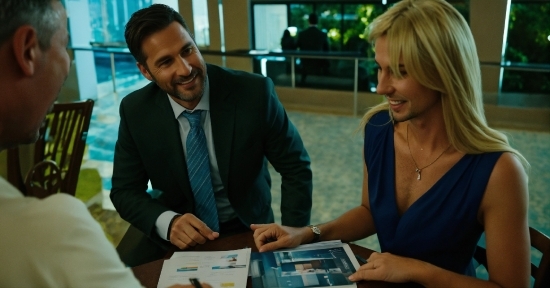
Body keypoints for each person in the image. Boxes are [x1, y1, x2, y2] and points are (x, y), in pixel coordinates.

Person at [251, 0, 530, 287]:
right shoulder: (379, 128)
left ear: (445, 72)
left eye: (400, 71)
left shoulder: (500, 171)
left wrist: (416, 271)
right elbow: (370, 212)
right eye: (380, 68)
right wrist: (308, 233)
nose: (382, 87)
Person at [111, 4, 313, 267]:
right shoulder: (135, 111)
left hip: (248, 228)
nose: (185, 69)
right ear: (145, 72)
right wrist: (168, 223)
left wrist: (292, 232)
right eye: (166, 61)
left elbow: (295, 167)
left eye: (187, 50)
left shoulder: (254, 93)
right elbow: (125, 190)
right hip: (177, 235)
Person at [296, 13, 329, 84]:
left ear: (308, 21)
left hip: (305, 66)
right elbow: (327, 50)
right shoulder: (322, 35)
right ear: (317, 21)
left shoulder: (302, 34)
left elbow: (295, 47)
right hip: (319, 66)